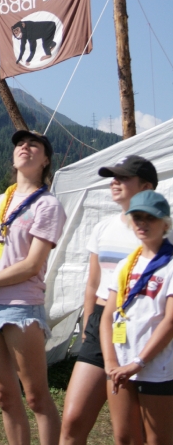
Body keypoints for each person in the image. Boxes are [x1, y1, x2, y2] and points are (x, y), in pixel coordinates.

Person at [0, 130, 66, 445]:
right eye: (20, 143)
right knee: (4, 395)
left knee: (35, 396)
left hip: (21, 305)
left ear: (45, 160)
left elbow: (32, 265)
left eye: (34, 145)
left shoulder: (47, 204)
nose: (25, 147)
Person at [59, 155, 159, 445]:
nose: (114, 182)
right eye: (113, 176)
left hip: (143, 327)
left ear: (146, 187)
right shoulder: (103, 227)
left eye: (123, 177)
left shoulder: (163, 232)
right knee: (73, 420)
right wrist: (87, 329)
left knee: (132, 433)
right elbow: (93, 283)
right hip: (101, 325)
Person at [100, 190, 173, 445]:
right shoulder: (125, 265)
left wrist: (138, 362)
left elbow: (170, 321)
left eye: (150, 217)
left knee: (158, 439)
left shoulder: (171, 264)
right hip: (120, 365)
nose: (142, 223)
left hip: (157, 367)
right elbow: (108, 316)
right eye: (137, 217)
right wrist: (110, 362)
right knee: (124, 437)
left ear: (165, 224)